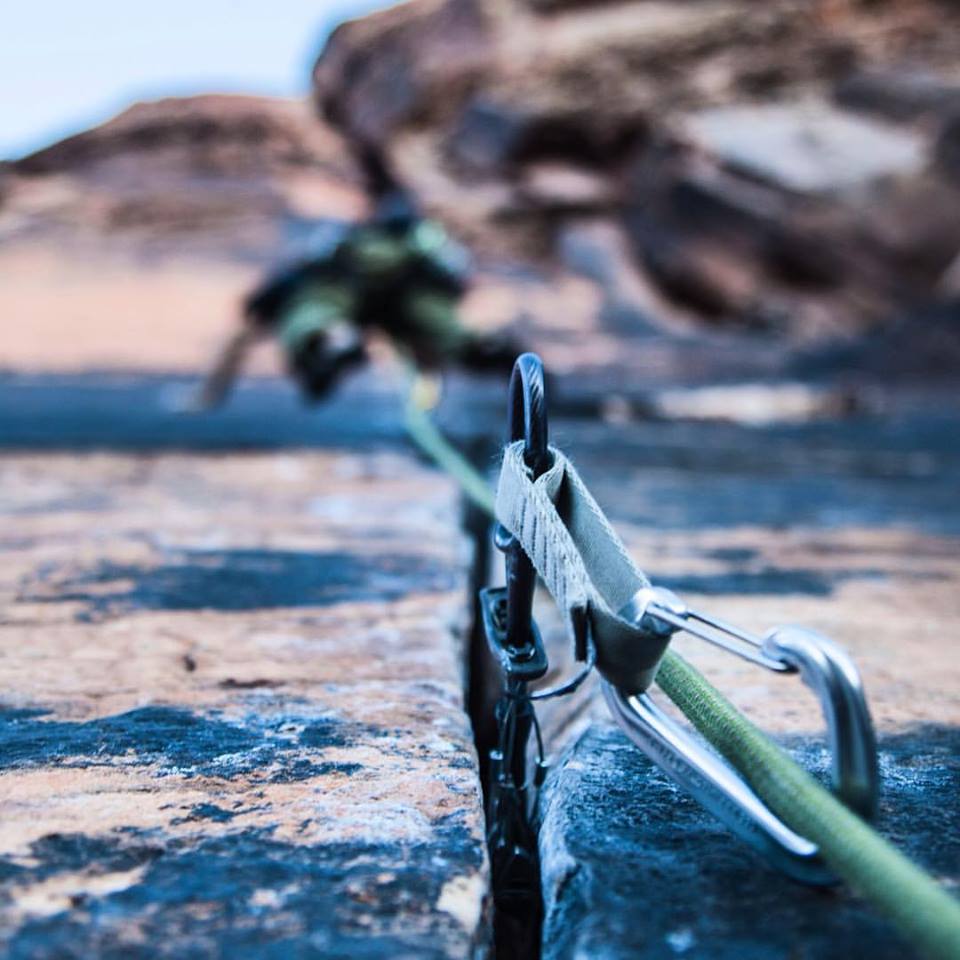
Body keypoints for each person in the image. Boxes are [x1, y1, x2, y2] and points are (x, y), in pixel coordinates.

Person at [194, 144, 521, 409]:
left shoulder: (348, 229)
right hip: (401, 286)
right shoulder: (407, 227)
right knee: (438, 326)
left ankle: (332, 340)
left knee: (315, 312)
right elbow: (451, 269)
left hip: (358, 281)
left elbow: (302, 275)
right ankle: (489, 351)